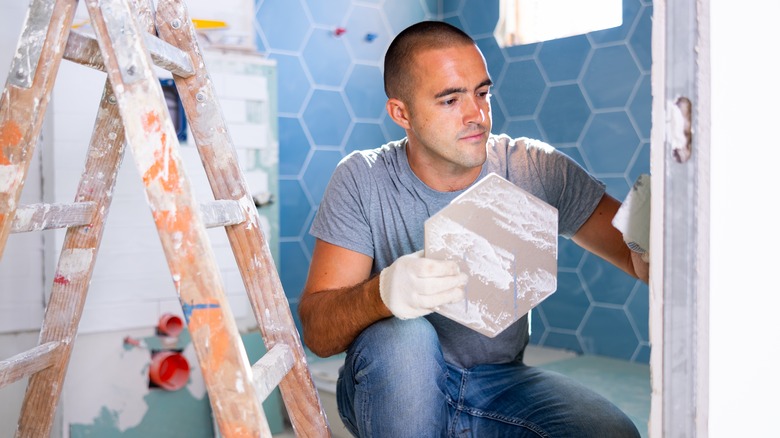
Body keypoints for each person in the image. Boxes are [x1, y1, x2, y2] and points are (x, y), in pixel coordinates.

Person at [298, 20, 649, 437]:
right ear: (401, 113)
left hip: (499, 383)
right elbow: (318, 334)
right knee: (404, 339)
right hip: (396, 380)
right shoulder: (363, 178)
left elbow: (636, 257)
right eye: (449, 100)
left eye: (482, 93)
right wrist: (382, 294)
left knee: (612, 433)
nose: (477, 116)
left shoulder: (533, 169)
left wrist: (657, 214)